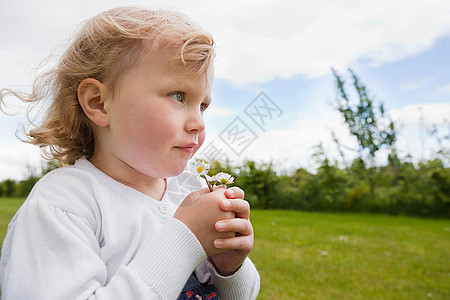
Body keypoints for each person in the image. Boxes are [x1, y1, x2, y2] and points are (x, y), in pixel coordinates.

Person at [0, 6, 260, 299]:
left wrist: (230, 267)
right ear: (99, 102)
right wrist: (184, 239)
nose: (198, 123)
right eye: (178, 96)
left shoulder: (191, 190)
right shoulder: (65, 203)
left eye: (203, 105)